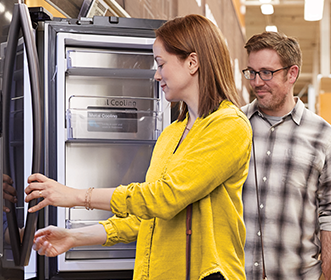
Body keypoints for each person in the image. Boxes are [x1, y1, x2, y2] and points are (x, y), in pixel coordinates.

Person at [23, 14, 253, 280]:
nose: (156, 75)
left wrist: (76, 196)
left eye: (161, 63)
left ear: (192, 63)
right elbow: (145, 218)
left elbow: (164, 198)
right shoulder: (171, 134)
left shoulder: (229, 126)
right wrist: (74, 237)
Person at [241, 31, 331, 280]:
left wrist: (326, 275)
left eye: (266, 72)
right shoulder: (235, 125)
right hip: (236, 273)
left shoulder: (323, 135)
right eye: (251, 72)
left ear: (292, 73)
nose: (256, 81)